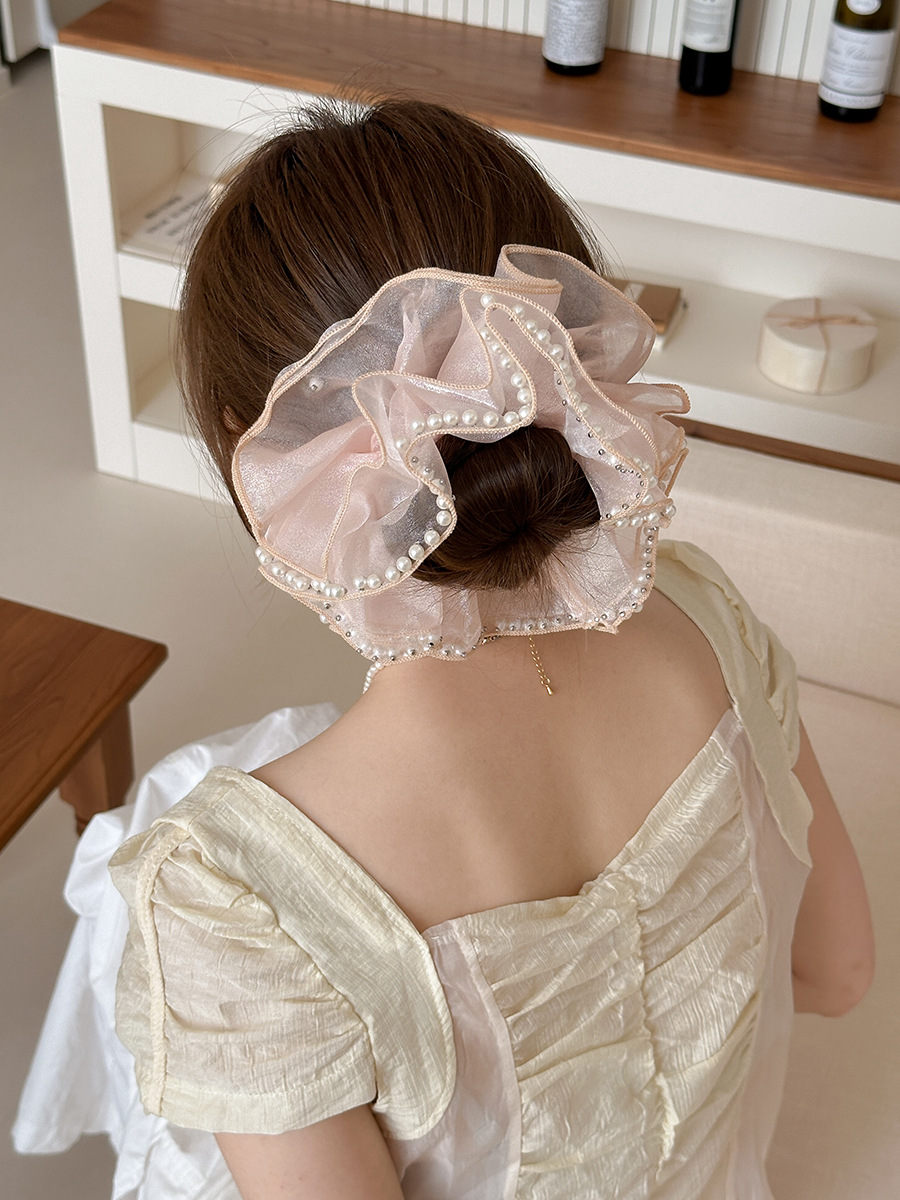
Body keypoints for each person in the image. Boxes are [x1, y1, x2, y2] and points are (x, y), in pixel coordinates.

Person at [107, 97, 874, 1200]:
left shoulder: (233, 899)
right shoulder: (705, 615)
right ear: (564, 341)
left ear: (255, 451)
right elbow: (840, 972)